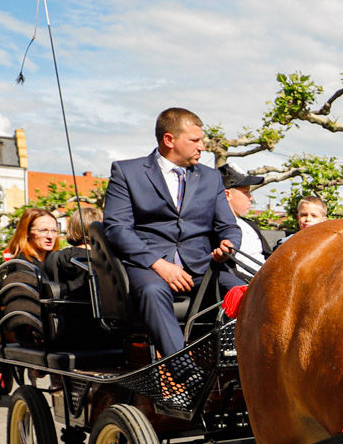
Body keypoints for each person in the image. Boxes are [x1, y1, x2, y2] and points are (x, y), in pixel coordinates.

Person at [102, 107, 243, 359]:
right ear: (169, 140)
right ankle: (183, 372)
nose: (202, 147)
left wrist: (229, 244)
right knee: (152, 292)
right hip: (149, 268)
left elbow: (228, 226)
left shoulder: (211, 178)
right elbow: (117, 229)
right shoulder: (127, 173)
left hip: (202, 267)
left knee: (245, 292)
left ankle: (240, 363)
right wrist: (159, 265)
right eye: (195, 140)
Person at [219, 165, 286, 278]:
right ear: (227, 195)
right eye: (246, 192)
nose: (251, 198)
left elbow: (268, 257)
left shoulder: (249, 225)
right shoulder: (219, 227)